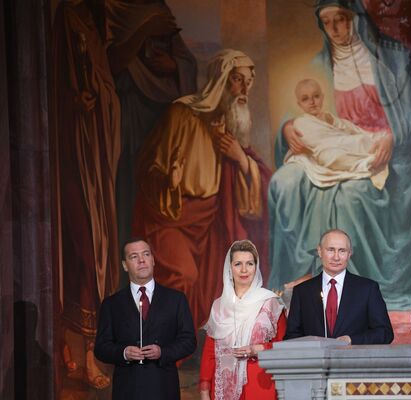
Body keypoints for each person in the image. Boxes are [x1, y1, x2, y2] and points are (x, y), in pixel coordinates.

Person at [268, 0, 411, 312]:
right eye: (327, 22)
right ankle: (297, 286)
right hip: (327, 150)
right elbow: (303, 109)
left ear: (357, 18)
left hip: (376, 150)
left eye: (342, 19)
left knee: (350, 197)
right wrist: (287, 128)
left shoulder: (391, 58)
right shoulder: (321, 64)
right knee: (284, 181)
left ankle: (355, 296)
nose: (336, 29)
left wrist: (393, 135)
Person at [132, 49, 272, 331]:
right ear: (220, 79)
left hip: (210, 222)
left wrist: (240, 158)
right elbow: (149, 168)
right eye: (237, 80)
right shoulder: (181, 113)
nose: (244, 89)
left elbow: (259, 179)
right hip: (173, 216)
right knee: (183, 274)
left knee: (219, 285)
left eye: (248, 82)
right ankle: (164, 344)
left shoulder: (229, 126)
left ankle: (195, 345)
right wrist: (169, 180)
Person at [50, 0, 121, 389]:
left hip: (96, 159)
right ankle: (71, 348)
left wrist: (101, 102)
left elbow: (107, 87)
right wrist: (75, 103)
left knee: (98, 255)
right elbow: (53, 85)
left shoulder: (94, 21)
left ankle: (90, 353)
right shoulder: (67, 18)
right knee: (80, 250)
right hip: (73, 156)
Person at [104, 0, 198, 245]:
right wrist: (144, 30)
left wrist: (174, 66)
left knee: (161, 183)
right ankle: (129, 257)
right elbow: (109, 61)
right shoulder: (112, 7)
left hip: (162, 113)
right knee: (131, 181)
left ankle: (157, 253)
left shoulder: (158, 6)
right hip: (131, 109)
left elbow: (186, 60)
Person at [94, 238, 196, 400]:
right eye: (134, 256)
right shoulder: (111, 304)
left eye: (146, 254)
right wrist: (124, 353)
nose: (141, 260)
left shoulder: (176, 299)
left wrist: (163, 352)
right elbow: (101, 348)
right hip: (127, 391)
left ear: (153, 260)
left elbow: (189, 341)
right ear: (125, 265)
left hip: (164, 389)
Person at [199, 240, 286, 400]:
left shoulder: (270, 303)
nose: (244, 270)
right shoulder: (219, 306)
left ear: (256, 267)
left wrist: (258, 349)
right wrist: (204, 390)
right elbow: (210, 352)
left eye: (250, 264)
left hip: (259, 383)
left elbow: (285, 346)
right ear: (229, 268)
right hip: (223, 385)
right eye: (238, 264)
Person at [285, 229, 393, 345]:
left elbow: (385, 333)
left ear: (349, 253)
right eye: (331, 250)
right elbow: (292, 336)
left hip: (353, 360)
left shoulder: (368, 289)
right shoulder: (302, 291)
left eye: (342, 251)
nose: (336, 257)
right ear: (320, 251)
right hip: (314, 361)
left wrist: (351, 340)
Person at [285, 78, 389, 190]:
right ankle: (365, 164)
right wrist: (339, 142)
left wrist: (380, 137)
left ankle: (368, 159)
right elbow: (314, 147)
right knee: (330, 155)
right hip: (326, 153)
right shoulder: (300, 123)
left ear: (322, 97)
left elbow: (354, 130)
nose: (312, 102)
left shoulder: (332, 119)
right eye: (305, 99)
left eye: (316, 96)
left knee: (361, 140)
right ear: (299, 104)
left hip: (347, 146)